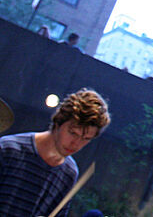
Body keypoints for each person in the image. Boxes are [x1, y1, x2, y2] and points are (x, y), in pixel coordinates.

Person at [0, 88, 110, 217]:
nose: (76, 143)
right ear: (58, 122)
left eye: (86, 139)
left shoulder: (69, 172)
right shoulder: (8, 149)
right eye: (73, 133)